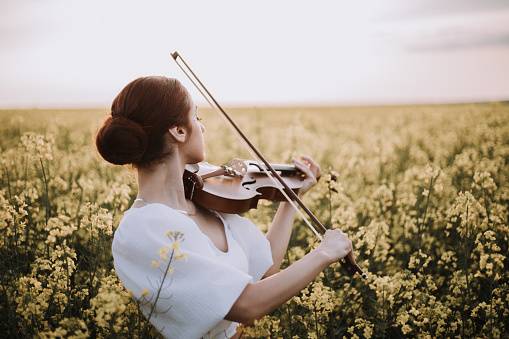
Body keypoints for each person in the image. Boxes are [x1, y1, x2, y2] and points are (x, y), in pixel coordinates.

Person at [95, 76, 356, 339]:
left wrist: (292, 196)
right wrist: (323, 253)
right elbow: (245, 306)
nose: (202, 128)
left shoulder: (204, 199)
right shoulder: (142, 230)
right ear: (179, 131)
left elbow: (266, 267)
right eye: (197, 118)